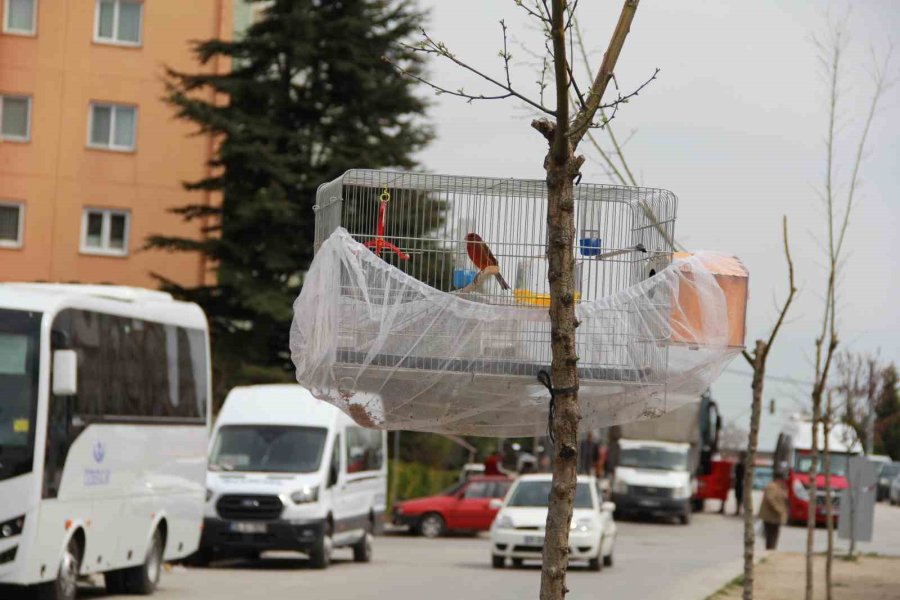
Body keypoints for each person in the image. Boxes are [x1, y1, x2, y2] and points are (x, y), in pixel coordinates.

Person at [758, 470, 789, 550]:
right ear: (778, 479)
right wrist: (779, 510)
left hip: (775, 517)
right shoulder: (772, 487)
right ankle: (769, 550)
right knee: (770, 536)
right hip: (770, 517)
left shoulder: (779, 487)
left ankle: (772, 549)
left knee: (774, 535)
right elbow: (770, 499)